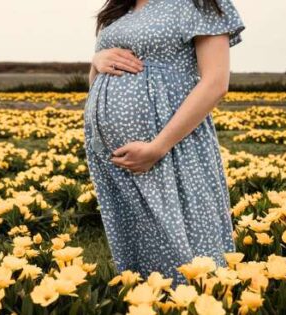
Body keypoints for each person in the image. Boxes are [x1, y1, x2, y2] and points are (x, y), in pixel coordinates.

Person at [83, 0, 245, 287]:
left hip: (171, 147)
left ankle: (194, 301)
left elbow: (216, 82)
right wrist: (97, 62)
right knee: (137, 241)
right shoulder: (119, 10)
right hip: (113, 157)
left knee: (185, 242)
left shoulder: (199, 3)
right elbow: (99, 79)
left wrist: (158, 146)